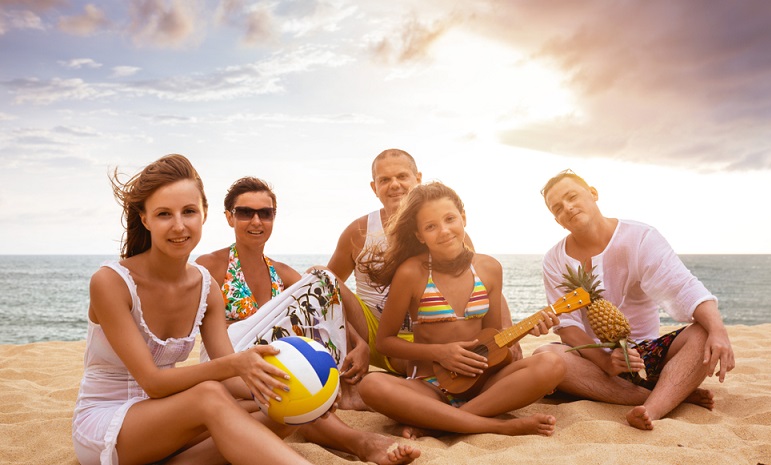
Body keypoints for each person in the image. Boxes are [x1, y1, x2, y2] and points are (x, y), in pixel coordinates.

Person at [72, 154, 313, 465]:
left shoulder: (207, 287)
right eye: (163, 214)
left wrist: (296, 390)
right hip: (107, 426)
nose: (179, 226)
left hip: (167, 420)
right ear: (145, 219)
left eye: (189, 212)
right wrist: (236, 364)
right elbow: (154, 384)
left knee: (277, 413)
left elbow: (231, 378)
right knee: (209, 395)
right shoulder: (111, 282)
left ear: (204, 214)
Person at [195, 176, 420, 464]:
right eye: (245, 212)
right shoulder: (211, 266)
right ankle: (361, 442)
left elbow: (325, 304)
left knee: (322, 279)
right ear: (229, 218)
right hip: (228, 365)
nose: (256, 221)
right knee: (293, 390)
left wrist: (359, 342)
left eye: (265, 213)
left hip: (274, 364)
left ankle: (347, 402)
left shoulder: (282, 272)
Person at [357, 181, 565, 438]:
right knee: (372, 385)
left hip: (483, 385)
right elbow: (385, 342)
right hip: (429, 387)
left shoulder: (489, 268)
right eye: (431, 226)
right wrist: (440, 353)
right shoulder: (411, 272)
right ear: (420, 235)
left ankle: (441, 423)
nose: (444, 231)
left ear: (463, 218)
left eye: (449, 219)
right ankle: (497, 426)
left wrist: (522, 333)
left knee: (552, 363)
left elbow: (495, 334)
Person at [534, 169, 736, 430]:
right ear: (557, 220)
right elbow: (568, 326)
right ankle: (669, 397)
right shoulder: (554, 259)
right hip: (591, 360)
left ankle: (652, 408)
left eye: (572, 196)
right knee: (545, 354)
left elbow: (684, 287)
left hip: (647, 353)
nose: (568, 208)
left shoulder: (640, 237)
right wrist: (605, 361)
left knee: (702, 331)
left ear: (593, 194)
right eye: (558, 208)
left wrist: (718, 331)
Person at [327, 148, 521, 376]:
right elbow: (329, 290)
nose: (394, 185)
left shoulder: (447, 234)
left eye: (402, 176)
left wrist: (507, 331)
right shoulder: (358, 232)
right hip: (376, 333)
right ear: (374, 187)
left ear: (418, 179)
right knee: (321, 277)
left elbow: (482, 285)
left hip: (433, 337)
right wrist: (356, 341)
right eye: (385, 180)